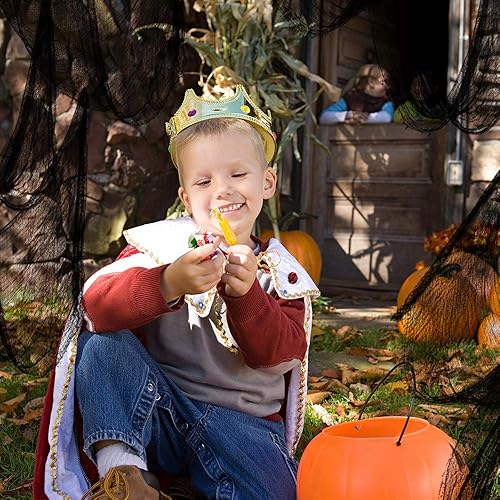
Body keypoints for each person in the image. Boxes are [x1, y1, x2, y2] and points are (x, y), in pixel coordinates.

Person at [34, 84, 320, 499]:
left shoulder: (281, 272)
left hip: (242, 425)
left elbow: (281, 358)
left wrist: (247, 297)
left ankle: (197, 484)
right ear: (186, 198)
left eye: (238, 174)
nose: (222, 190)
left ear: (267, 182)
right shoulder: (163, 247)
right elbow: (96, 307)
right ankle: (126, 478)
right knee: (102, 344)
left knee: (273, 491)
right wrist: (167, 282)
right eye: (204, 181)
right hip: (158, 411)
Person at [319, 64, 394, 124]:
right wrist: (349, 115)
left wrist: (364, 118)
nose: (388, 86)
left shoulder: (386, 102)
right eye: (385, 81)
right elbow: (324, 117)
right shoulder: (350, 98)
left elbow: (386, 117)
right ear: (371, 82)